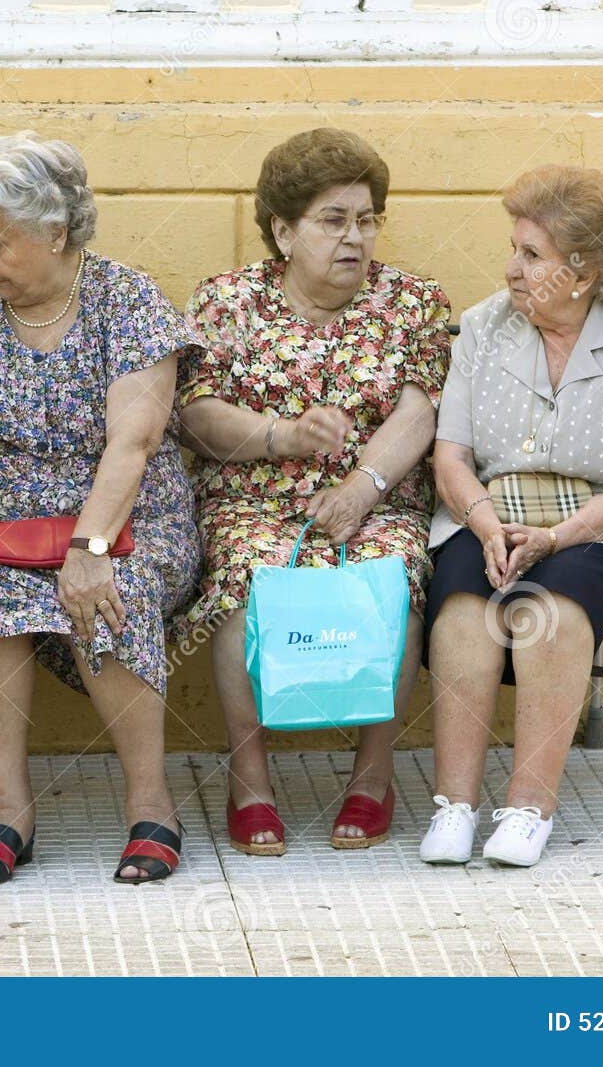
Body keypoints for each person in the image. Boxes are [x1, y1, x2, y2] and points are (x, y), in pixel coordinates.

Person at [0, 132, 203, 885]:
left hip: (122, 514)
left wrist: (88, 549)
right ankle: (8, 810)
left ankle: (151, 802)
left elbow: (133, 444)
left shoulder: (126, 299)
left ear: (55, 232)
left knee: (112, 592)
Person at [176, 128, 449, 855]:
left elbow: (419, 409)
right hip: (254, 499)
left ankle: (372, 775)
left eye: (366, 219)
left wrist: (363, 485)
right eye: (333, 220)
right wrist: (281, 436)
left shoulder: (412, 302)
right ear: (282, 230)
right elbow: (195, 413)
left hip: (377, 496)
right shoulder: (228, 301)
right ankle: (251, 780)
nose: (354, 237)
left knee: (394, 572)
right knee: (244, 573)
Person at [422, 165, 603, 868]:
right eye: (513, 247)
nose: (511, 268)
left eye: (531, 255)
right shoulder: (483, 328)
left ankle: (528, 807)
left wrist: (553, 538)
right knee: (460, 607)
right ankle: (454, 805)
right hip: (488, 513)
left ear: (584, 273)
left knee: (553, 607)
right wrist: (485, 526)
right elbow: (449, 458)